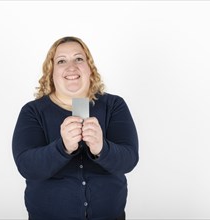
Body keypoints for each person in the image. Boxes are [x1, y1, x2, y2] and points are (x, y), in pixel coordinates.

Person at [12, 36, 139, 220]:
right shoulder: (32, 111)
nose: (71, 67)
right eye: (61, 61)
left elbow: (129, 159)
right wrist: (62, 148)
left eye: (79, 58)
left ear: (90, 68)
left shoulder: (114, 105)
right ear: (51, 73)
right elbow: (27, 166)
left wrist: (102, 148)